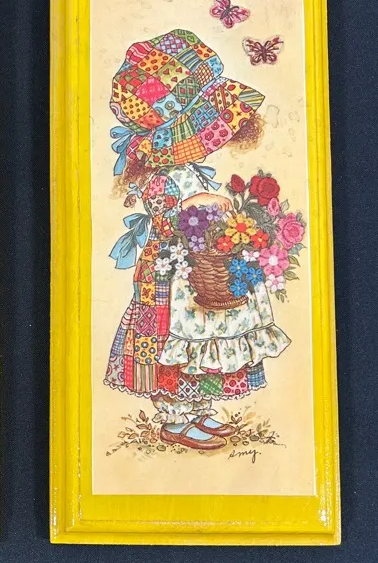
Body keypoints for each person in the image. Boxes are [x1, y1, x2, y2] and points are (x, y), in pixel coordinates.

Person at [104, 30, 291, 451]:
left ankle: (199, 409)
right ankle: (175, 418)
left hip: (200, 269)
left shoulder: (188, 170)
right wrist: (210, 205)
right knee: (175, 341)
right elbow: (169, 217)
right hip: (172, 274)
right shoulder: (159, 173)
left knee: (205, 339)